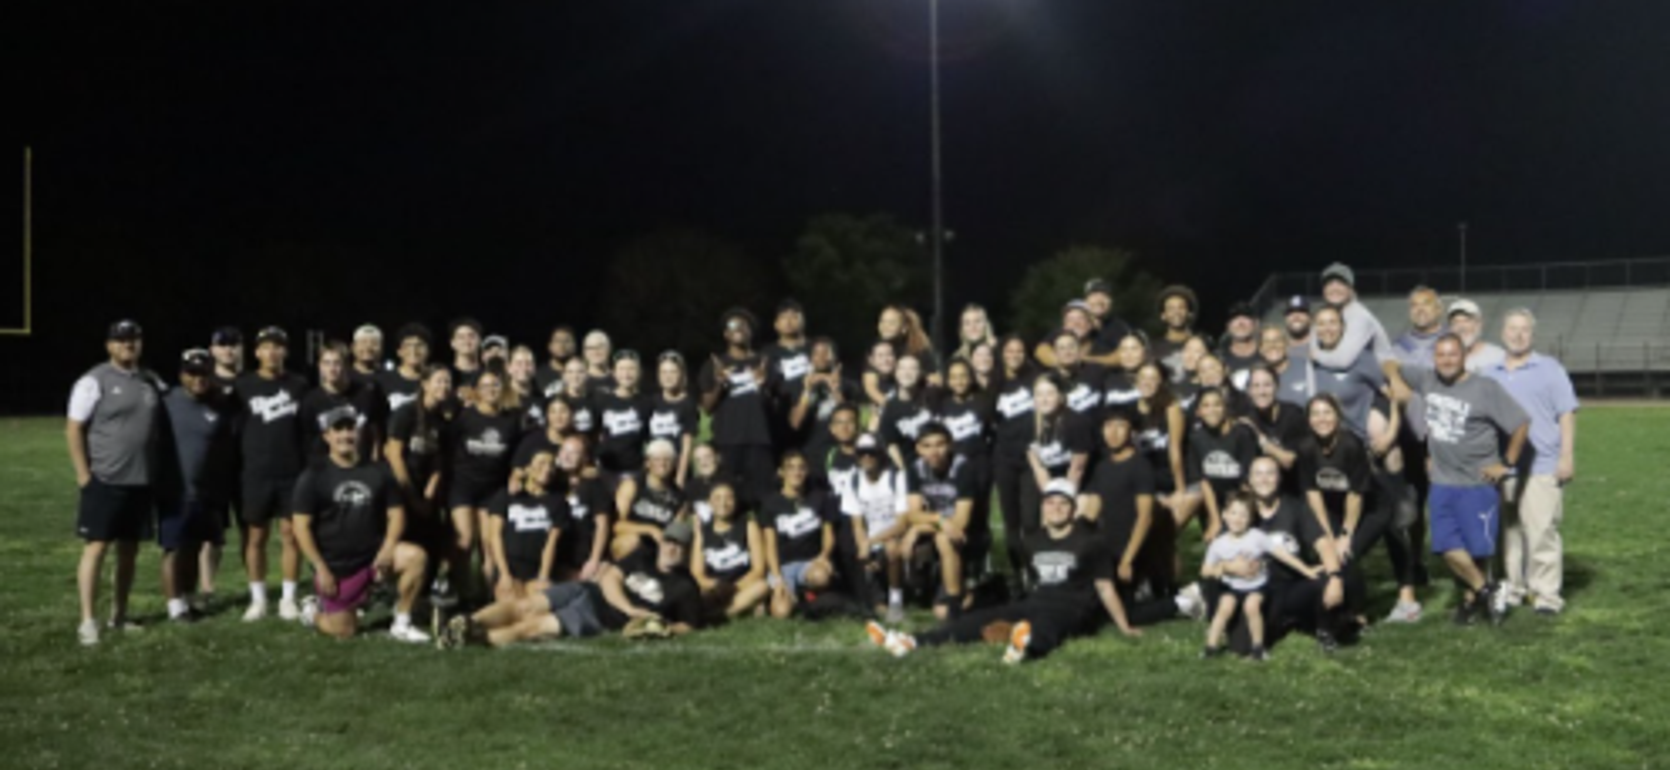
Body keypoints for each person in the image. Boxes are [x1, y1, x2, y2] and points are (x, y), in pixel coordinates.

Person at [866, 479, 1140, 663]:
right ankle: (911, 641)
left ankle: (1026, 646)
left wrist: (1124, 626)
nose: (1056, 509)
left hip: (1072, 607)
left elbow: (1105, 588)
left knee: (1049, 626)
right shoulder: (1032, 539)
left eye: (1063, 504)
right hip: (1036, 601)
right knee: (980, 620)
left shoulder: (1091, 542)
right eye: (1050, 503)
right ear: (1043, 507)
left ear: (1072, 509)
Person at [1398, 334, 1529, 625]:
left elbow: (1520, 422)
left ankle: (1471, 602)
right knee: (1446, 547)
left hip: (1477, 482)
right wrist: (1398, 395)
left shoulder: (1484, 388)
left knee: (1477, 549)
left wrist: (1505, 463)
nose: (1446, 360)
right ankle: (1486, 590)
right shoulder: (1426, 379)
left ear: (1464, 356)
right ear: (1434, 358)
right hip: (1442, 482)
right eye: (1441, 355)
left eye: (1452, 354)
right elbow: (1389, 366)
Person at [440, 519, 704, 647]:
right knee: (524, 606)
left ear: (688, 549)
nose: (671, 548)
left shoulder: (686, 587)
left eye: (679, 545)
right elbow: (611, 578)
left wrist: (663, 628)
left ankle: (474, 641)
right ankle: (467, 623)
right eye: (669, 541)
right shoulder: (642, 556)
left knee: (532, 627)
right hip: (588, 590)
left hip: (599, 617)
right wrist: (631, 609)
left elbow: (689, 624)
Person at [291, 405, 430, 642]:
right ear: (327, 436)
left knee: (416, 557)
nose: (345, 435)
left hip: (374, 559)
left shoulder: (378, 471)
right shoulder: (313, 475)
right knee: (344, 631)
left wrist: (387, 549)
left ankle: (402, 622)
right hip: (336, 568)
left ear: (358, 433)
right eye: (338, 430)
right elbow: (301, 526)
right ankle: (312, 612)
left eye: (350, 429)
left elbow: (396, 514)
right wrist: (321, 568)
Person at [66, 320, 165, 645]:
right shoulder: (94, 381)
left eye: (134, 339)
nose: (128, 345)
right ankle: (87, 621)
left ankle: (118, 616)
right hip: (106, 479)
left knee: (129, 552)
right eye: (121, 340)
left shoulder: (150, 380)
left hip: (141, 480)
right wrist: (84, 475)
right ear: (109, 345)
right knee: (96, 548)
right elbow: (74, 428)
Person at [1483, 309, 1578, 616]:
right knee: (1509, 531)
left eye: (1524, 329)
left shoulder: (1550, 369)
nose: (1518, 334)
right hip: (1504, 465)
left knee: (1540, 531)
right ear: (1502, 333)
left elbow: (1566, 412)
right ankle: (1514, 586)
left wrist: (1566, 455)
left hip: (1542, 464)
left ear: (1532, 335)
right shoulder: (1490, 372)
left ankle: (1546, 594)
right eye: (1512, 328)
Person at [232, 326, 312, 622]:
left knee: (291, 535)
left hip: (292, 473)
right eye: (266, 347)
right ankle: (258, 599)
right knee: (256, 536)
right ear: (256, 352)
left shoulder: (299, 385)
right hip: (256, 472)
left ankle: (288, 599)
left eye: (278, 347)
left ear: (285, 352)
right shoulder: (244, 386)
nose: (272, 352)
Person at [156, 349, 237, 623]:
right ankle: (174, 606)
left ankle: (188, 598)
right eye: (192, 373)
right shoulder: (167, 401)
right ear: (182, 375)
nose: (198, 379)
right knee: (174, 548)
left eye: (204, 373)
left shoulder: (220, 403)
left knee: (195, 545)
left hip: (209, 490)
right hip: (176, 488)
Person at [1245, 456, 1356, 653]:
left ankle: (1326, 630)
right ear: (1249, 480)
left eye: (1270, 473)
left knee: (1330, 574)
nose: (1264, 479)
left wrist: (1335, 578)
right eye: (1258, 474)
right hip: (1259, 589)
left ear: (1279, 478)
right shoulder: (1241, 511)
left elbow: (1323, 544)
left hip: (1292, 585)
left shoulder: (1296, 508)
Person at [1202, 492, 1309, 661]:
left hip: (1257, 585)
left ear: (1250, 519)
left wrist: (1306, 570)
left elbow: (1282, 554)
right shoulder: (1218, 544)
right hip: (1232, 586)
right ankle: (1210, 647)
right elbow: (1205, 570)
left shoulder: (1257, 537)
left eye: (1243, 515)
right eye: (1233, 513)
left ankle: (1258, 648)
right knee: (1225, 606)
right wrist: (1223, 569)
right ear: (1224, 515)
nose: (1237, 519)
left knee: (1252, 605)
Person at [444, 365, 522, 600]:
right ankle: (458, 591)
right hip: (464, 487)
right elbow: (447, 447)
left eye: (495, 385)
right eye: (485, 386)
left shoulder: (510, 420)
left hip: (493, 489)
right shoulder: (464, 417)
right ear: (476, 391)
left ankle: (486, 596)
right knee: (465, 541)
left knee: (490, 546)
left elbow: (516, 455)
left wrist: (515, 476)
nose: (491, 390)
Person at [698, 308, 777, 507]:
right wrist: (720, 384)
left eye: (744, 325)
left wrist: (764, 385)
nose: (739, 328)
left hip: (759, 440)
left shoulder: (764, 362)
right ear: (726, 334)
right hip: (727, 440)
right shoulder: (715, 364)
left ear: (751, 332)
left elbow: (776, 405)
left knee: (763, 499)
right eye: (733, 325)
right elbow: (707, 407)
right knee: (728, 496)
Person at [384, 365, 454, 573]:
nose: (444, 386)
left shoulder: (442, 419)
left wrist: (428, 496)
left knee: (431, 540)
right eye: (439, 381)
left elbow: (438, 462)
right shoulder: (406, 413)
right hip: (401, 485)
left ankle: (425, 592)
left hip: (425, 489)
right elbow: (394, 455)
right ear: (425, 384)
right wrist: (411, 496)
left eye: (447, 382)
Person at [903, 424, 977, 619]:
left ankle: (953, 602)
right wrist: (937, 520)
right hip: (937, 526)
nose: (933, 452)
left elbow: (961, 520)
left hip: (963, 534)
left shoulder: (963, 467)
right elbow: (913, 514)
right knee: (903, 546)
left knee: (943, 539)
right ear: (918, 449)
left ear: (950, 445)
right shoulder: (915, 468)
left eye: (939, 445)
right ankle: (920, 590)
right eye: (926, 446)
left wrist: (921, 527)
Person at [1310, 262, 1413, 401]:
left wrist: (1317, 355)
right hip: (1353, 380)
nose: (1334, 288)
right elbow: (1312, 342)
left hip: (1380, 383)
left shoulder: (1359, 316)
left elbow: (1343, 360)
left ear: (1350, 288)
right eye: (1329, 284)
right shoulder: (1326, 314)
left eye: (1341, 283)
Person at [1282, 305, 1385, 440]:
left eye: (1332, 322)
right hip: (1324, 440)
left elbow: (1389, 394)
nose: (1327, 329)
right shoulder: (1307, 360)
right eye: (1321, 324)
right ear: (1314, 329)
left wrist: (1390, 431)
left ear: (1343, 327)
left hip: (1362, 439)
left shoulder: (1362, 357)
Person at [840, 434, 911, 621]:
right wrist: (864, 547)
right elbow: (857, 523)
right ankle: (878, 600)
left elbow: (902, 523)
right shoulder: (853, 480)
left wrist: (871, 541)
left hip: (894, 536)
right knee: (875, 607)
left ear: (880, 454)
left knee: (892, 548)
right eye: (862, 453)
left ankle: (896, 601)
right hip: (871, 540)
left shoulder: (896, 477)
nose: (867, 458)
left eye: (871, 453)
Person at [759, 451, 835, 618]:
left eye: (801, 468)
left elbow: (828, 533)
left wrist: (824, 556)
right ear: (781, 472)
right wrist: (777, 577)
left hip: (809, 563)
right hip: (783, 566)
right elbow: (769, 545)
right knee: (781, 613)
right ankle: (787, 597)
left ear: (807, 471)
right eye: (791, 468)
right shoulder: (770, 503)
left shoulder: (818, 497)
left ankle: (806, 593)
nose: (796, 472)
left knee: (821, 577)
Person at [486, 450, 567, 602]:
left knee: (534, 605)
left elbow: (552, 542)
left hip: (536, 568)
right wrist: (504, 574)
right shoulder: (506, 496)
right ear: (528, 468)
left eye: (551, 465)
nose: (548, 468)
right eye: (542, 463)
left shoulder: (557, 501)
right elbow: (494, 536)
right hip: (510, 566)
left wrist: (543, 577)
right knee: (511, 603)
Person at [989, 335, 1038, 585]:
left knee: (1031, 520)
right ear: (1002, 354)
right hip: (1004, 459)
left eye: (1020, 351)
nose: (1015, 355)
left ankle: (1034, 573)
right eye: (1009, 351)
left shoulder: (1035, 379)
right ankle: (1017, 573)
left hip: (1031, 457)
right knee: (1011, 522)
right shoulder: (994, 383)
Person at [1185, 388, 1260, 544]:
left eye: (1217, 405)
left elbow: (1247, 484)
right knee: (1215, 544)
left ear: (1225, 408)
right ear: (1199, 412)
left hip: (1242, 500)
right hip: (1214, 503)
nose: (1212, 410)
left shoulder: (1241, 435)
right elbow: (1203, 481)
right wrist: (1215, 519)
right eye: (1206, 406)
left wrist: (1239, 517)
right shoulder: (1196, 439)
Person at [1024, 374, 1092, 539]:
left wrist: (1064, 503)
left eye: (1049, 394)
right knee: (1046, 532)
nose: (1044, 399)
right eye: (1039, 394)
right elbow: (1038, 468)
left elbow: (1077, 470)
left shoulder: (1076, 422)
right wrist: (1051, 501)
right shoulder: (1029, 424)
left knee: (1071, 534)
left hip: (1083, 485)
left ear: (1061, 397)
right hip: (1052, 483)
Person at [691, 482, 771, 619]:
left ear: (735, 502)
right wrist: (714, 586)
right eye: (717, 498)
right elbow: (697, 573)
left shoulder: (749, 525)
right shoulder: (703, 532)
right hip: (715, 588)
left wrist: (733, 589)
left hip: (743, 585)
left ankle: (723, 614)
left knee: (762, 586)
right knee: (696, 594)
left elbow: (759, 569)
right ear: (709, 503)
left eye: (729, 498)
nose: (723, 503)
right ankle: (744, 607)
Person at [299, 341, 384, 462]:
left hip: (360, 465)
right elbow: (306, 440)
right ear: (320, 366)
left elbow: (376, 432)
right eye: (326, 363)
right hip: (326, 469)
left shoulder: (365, 394)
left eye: (337, 363)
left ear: (346, 365)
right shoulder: (311, 400)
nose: (332, 369)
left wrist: (375, 461)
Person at [610, 439, 687, 560]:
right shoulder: (632, 485)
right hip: (631, 540)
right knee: (631, 541)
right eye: (657, 459)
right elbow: (616, 525)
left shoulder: (680, 497)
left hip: (659, 547)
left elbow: (676, 532)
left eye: (667, 460)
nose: (662, 464)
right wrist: (650, 530)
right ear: (647, 463)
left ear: (674, 464)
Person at [788, 338, 858, 467]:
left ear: (835, 357)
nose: (821, 357)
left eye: (826, 352)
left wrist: (835, 390)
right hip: (810, 451)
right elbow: (795, 423)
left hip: (839, 451)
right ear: (810, 358)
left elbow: (852, 418)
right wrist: (807, 391)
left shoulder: (849, 385)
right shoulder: (799, 385)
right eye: (816, 353)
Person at [552, 436, 611, 581]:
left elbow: (602, 525)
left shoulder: (594, 485)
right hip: (558, 559)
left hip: (584, 558)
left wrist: (594, 560)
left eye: (574, 453)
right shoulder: (552, 483)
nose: (566, 456)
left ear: (584, 458)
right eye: (564, 451)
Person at [761, 298, 811, 451]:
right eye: (784, 317)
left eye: (794, 316)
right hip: (782, 418)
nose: (789, 321)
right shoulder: (767, 353)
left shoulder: (817, 348)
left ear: (803, 321)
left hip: (814, 416)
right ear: (776, 324)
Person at [649, 351, 700, 486]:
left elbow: (687, 445)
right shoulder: (652, 402)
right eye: (664, 372)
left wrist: (680, 477)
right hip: (655, 467)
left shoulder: (688, 403)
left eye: (673, 372)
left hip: (676, 466)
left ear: (682, 374)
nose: (668, 377)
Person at [595, 350, 650, 475]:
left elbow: (649, 437)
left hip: (636, 469)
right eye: (622, 369)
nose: (626, 374)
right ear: (614, 372)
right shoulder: (602, 401)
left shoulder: (646, 403)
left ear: (640, 372)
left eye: (631, 369)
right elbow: (594, 434)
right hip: (607, 469)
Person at [878, 354, 935, 469]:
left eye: (912, 368)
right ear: (896, 373)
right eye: (902, 368)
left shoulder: (933, 397)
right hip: (910, 467)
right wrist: (903, 471)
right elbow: (890, 443)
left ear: (920, 374)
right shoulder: (890, 407)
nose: (907, 373)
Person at [1045, 329, 1105, 416]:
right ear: (1055, 353)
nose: (1067, 352)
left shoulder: (1096, 371)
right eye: (1062, 348)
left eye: (1071, 347)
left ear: (1079, 349)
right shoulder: (1050, 381)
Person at [877, 304, 940, 383]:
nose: (885, 326)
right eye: (882, 321)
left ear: (904, 328)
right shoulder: (876, 349)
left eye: (891, 323)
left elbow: (936, 380)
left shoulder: (919, 350)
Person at [377, 323, 431, 415]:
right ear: (399, 352)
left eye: (419, 345)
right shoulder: (383, 380)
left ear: (428, 350)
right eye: (408, 346)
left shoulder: (435, 380)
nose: (413, 351)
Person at [1447, 299, 1507, 373]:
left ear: (1479, 324)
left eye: (1467, 321)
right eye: (1455, 322)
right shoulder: (1444, 359)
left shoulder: (1498, 357)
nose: (1461, 327)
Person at [1151, 285, 1199, 379]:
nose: (1176, 312)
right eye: (1170, 308)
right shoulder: (1153, 348)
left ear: (1189, 313)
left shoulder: (1202, 345)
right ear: (1163, 315)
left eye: (1181, 307)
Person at [1082, 278, 1135, 352]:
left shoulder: (1121, 328)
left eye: (1105, 296)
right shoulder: (1076, 326)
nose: (1099, 300)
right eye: (1094, 295)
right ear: (1085, 300)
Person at [1219, 301, 1262, 387]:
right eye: (1235, 318)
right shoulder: (1219, 360)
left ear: (1256, 324)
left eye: (1246, 317)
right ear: (1227, 326)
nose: (1240, 323)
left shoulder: (1267, 357)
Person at [684, 443, 730, 524]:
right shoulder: (691, 486)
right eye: (698, 459)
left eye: (707, 457)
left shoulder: (729, 482)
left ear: (717, 457)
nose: (703, 463)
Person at [1101, 333, 1148, 409]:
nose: (1128, 354)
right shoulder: (1107, 379)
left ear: (1144, 351)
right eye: (1123, 349)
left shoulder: (1158, 376)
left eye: (1134, 349)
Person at [555, 357, 598, 437]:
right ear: (563, 375)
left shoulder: (596, 400)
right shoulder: (556, 402)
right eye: (570, 372)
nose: (575, 376)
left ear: (587, 375)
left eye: (580, 372)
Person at [446, 317, 484, 401]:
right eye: (461, 337)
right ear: (452, 343)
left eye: (471, 336)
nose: (467, 341)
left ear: (480, 341)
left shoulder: (488, 374)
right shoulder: (445, 373)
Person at [534, 326, 578, 397]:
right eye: (557, 341)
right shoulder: (538, 375)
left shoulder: (584, 373)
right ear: (550, 346)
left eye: (567, 341)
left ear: (574, 346)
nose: (562, 345)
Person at [861, 339, 899, 413]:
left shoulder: (901, 376)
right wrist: (897, 410)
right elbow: (871, 390)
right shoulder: (870, 376)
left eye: (889, 354)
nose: (885, 360)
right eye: (880, 356)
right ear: (871, 360)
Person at [209, 326, 243, 397]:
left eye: (233, 345)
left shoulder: (252, 382)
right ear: (212, 350)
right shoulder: (205, 383)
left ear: (241, 349)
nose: (228, 350)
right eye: (222, 345)